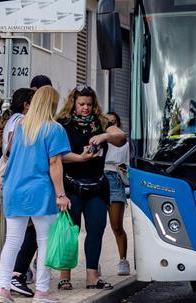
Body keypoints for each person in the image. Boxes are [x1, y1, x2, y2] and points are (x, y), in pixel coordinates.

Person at [0, 86, 73, 303]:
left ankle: (3, 290)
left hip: (14, 189)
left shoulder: (19, 127)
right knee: (45, 241)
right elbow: (55, 162)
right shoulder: (54, 129)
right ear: (51, 104)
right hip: (40, 190)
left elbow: (10, 153)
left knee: (12, 241)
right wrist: (61, 195)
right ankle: (41, 292)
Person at [56, 86, 126, 290]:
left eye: (89, 104)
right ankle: (64, 276)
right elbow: (57, 155)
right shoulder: (63, 124)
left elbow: (121, 138)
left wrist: (104, 136)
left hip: (97, 185)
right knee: (70, 232)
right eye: (82, 104)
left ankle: (92, 277)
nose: (86, 108)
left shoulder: (102, 122)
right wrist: (80, 157)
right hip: (72, 185)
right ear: (74, 104)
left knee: (96, 230)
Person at [0, 87, 40, 297]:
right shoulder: (21, 121)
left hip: (14, 183)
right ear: (26, 105)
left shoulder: (13, 119)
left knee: (15, 236)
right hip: (21, 183)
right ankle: (14, 276)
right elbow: (12, 147)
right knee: (24, 234)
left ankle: (7, 281)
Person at [103, 111, 130, 276]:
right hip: (98, 178)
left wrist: (124, 170)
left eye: (114, 122)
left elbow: (126, 165)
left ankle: (123, 260)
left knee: (117, 225)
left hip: (114, 179)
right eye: (107, 123)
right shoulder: (97, 139)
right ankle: (93, 265)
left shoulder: (124, 143)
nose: (111, 125)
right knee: (96, 228)